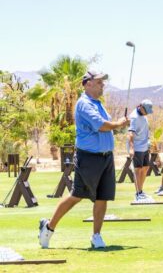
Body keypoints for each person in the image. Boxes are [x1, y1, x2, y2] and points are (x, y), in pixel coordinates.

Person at [38, 71, 129, 249]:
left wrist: (119, 125)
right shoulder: (84, 104)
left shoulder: (98, 104)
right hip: (88, 158)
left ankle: (96, 236)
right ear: (87, 84)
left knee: (103, 197)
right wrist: (119, 124)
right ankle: (48, 228)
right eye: (99, 82)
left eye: (103, 82)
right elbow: (102, 126)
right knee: (77, 195)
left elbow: (106, 127)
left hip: (106, 157)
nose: (102, 85)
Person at [127, 99, 153, 201]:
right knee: (137, 170)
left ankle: (141, 191)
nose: (147, 113)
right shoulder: (134, 117)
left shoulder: (144, 116)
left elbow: (146, 130)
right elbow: (130, 134)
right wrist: (131, 149)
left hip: (145, 146)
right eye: (146, 110)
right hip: (137, 147)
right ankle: (138, 194)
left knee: (145, 168)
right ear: (141, 107)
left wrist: (149, 142)